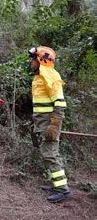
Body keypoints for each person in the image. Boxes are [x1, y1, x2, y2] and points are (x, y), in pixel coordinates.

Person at [28, 46, 70, 203]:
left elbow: (60, 103)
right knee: (49, 153)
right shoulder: (40, 75)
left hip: (49, 122)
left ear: (41, 60)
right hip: (43, 121)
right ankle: (56, 183)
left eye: (33, 59)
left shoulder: (49, 75)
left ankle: (62, 189)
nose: (31, 62)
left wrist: (53, 125)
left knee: (50, 154)